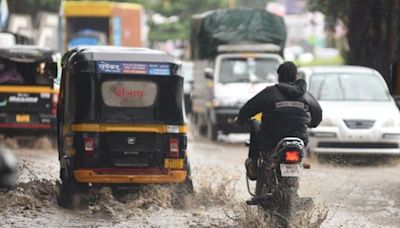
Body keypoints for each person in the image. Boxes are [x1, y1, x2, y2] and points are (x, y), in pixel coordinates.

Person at [235, 61, 322, 180]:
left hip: (272, 140)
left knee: (255, 122)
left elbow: (247, 109)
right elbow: (318, 115)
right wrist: (311, 124)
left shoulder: (269, 92)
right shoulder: (307, 95)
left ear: (279, 76)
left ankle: (254, 166)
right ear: (295, 76)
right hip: (300, 140)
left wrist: (240, 120)